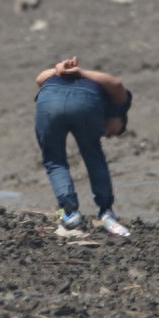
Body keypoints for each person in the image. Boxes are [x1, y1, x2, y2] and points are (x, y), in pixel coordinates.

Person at [35, 56, 132, 236]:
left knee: (54, 159)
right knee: (93, 156)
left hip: (49, 103)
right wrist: (81, 72)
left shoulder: (63, 77)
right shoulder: (121, 102)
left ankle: (70, 212)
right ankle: (105, 210)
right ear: (121, 120)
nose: (107, 133)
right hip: (84, 105)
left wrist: (58, 70)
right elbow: (117, 83)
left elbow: (40, 79)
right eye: (114, 132)